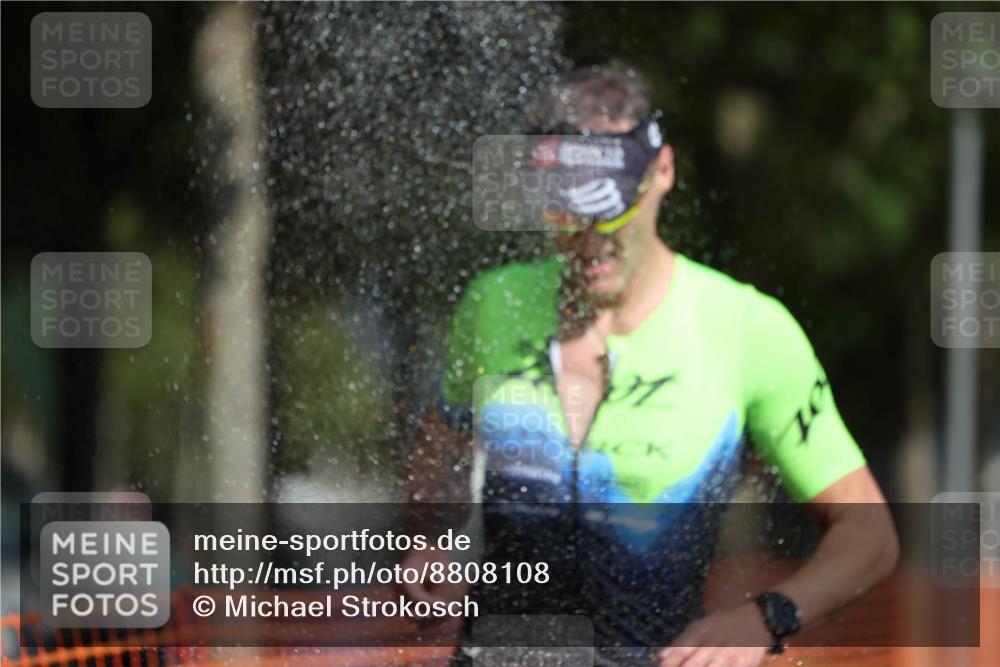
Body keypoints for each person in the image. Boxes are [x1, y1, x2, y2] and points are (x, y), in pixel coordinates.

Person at [404, 61, 899, 667]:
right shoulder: (493, 304)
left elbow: (870, 536)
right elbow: (443, 448)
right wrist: (428, 541)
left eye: (609, 211)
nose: (589, 238)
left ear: (662, 172)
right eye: (565, 214)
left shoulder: (747, 328)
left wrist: (766, 617)